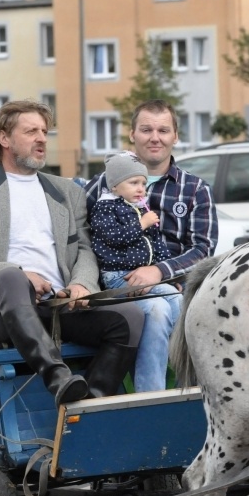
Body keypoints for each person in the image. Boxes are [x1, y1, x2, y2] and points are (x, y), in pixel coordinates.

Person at [0, 100, 144, 408]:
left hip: (58, 306)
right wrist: (22, 274)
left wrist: (82, 284)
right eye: (31, 131)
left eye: (45, 132)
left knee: (130, 318)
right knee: (11, 277)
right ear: (4, 138)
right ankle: (58, 378)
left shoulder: (68, 191)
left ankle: (89, 404)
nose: (41, 139)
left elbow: (85, 249)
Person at [85, 99, 218, 390]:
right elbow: (83, 237)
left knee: (184, 309)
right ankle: (151, 397)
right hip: (119, 287)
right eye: (146, 130)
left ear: (175, 136)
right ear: (132, 134)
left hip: (176, 287)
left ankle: (192, 395)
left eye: (163, 130)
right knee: (156, 311)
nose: (155, 138)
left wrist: (160, 271)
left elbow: (203, 249)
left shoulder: (195, 189)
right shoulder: (103, 185)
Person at [90, 151, 181, 392]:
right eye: (133, 183)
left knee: (178, 299)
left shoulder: (139, 208)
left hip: (145, 277)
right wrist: (142, 223)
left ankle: (183, 373)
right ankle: (151, 390)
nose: (140, 188)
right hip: (118, 278)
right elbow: (114, 238)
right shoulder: (105, 208)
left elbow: (157, 247)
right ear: (115, 186)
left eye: (143, 183)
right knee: (161, 306)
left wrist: (169, 275)